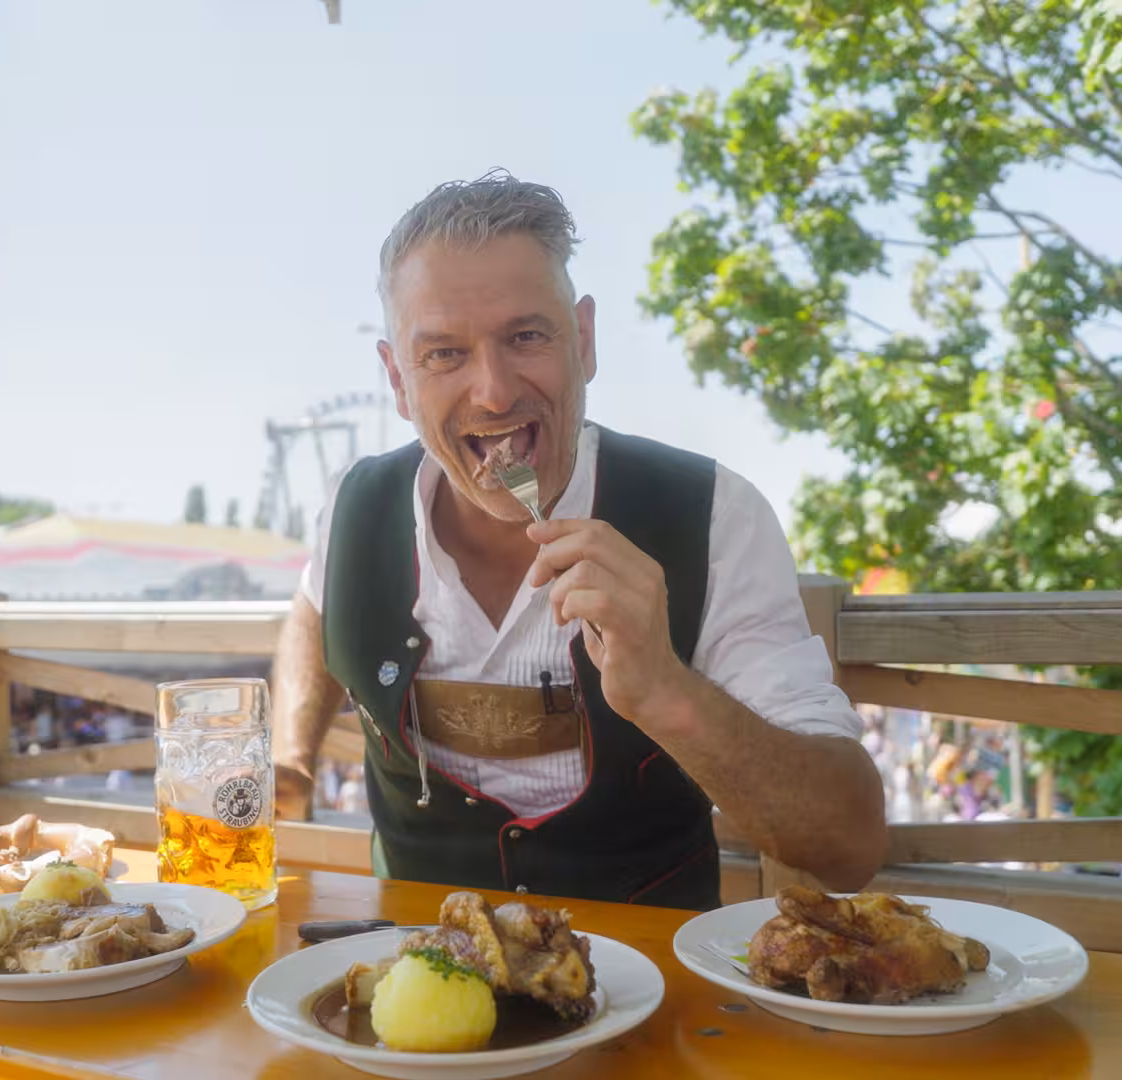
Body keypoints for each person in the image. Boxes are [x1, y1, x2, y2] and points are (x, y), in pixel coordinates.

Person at [270, 172, 887, 909]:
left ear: (584, 342)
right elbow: (314, 612)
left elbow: (849, 847)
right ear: (398, 382)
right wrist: (290, 762)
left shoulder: (713, 514)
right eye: (443, 355)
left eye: (526, 336)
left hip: (653, 987)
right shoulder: (354, 509)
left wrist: (667, 692)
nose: (494, 392)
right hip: (411, 979)